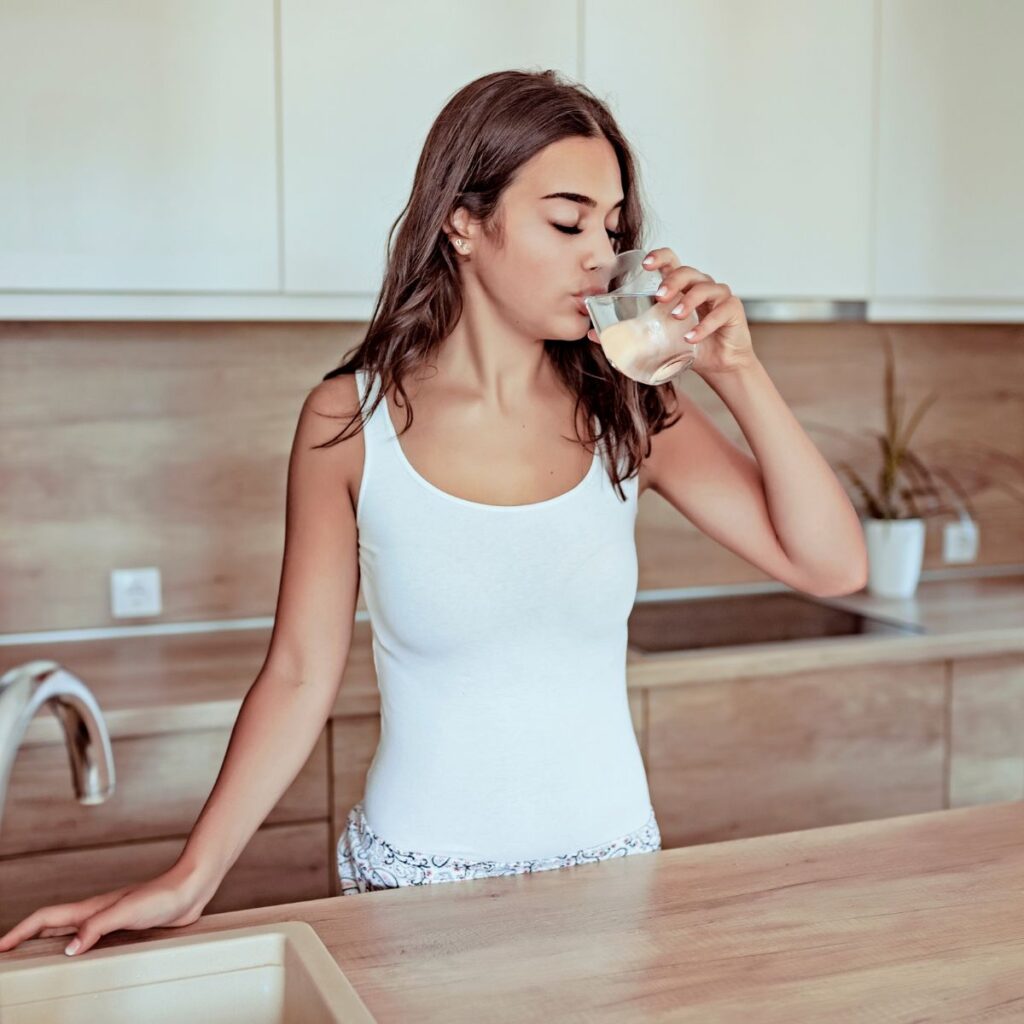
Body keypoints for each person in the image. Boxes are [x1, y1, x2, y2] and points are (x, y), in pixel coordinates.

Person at [0, 68, 867, 955]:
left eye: (611, 229)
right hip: (410, 890)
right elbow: (300, 670)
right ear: (463, 220)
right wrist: (191, 877)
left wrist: (738, 373)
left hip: (615, 879)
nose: (598, 257)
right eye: (566, 222)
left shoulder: (631, 413)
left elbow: (833, 567)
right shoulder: (349, 420)